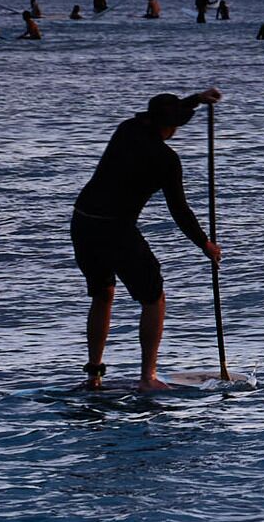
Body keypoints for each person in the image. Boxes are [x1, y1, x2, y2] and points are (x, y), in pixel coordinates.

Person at [73, 89, 221, 388]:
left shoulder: (127, 129)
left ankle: (94, 376)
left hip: (83, 222)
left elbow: (160, 113)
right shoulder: (165, 159)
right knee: (154, 298)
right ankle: (147, 378)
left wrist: (196, 99)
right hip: (116, 229)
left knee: (103, 294)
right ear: (171, 125)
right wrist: (205, 244)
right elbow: (179, 209)